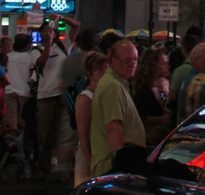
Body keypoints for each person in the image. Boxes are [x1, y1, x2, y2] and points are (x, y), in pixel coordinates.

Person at [91, 40, 145, 179]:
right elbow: (113, 127)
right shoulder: (113, 86)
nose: (132, 64)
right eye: (127, 60)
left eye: (135, 60)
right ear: (113, 61)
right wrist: (122, 167)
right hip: (112, 166)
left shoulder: (117, 83)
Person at [32, 20, 74, 181]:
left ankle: (61, 168)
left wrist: (62, 18)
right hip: (45, 96)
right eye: (44, 31)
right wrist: (48, 43)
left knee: (63, 132)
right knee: (46, 133)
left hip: (62, 94)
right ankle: (43, 168)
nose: (47, 33)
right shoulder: (36, 51)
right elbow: (42, 61)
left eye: (50, 31)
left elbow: (76, 25)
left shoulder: (64, 46)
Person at [73, 52, 110, 186]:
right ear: (90, 73)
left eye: (107, 70)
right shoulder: (86, 98)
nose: (104, 73)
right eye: (100, 70)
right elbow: (82, 134)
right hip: (87, 154)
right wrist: (90, 161)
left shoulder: (102, 94)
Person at [133, 47, 173, 146]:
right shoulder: (143, 89)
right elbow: (140, 117)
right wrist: (162, 119)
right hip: (149, 140)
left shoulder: (162, 84)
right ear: (153, 66)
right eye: (163, 63)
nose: (167, 66)